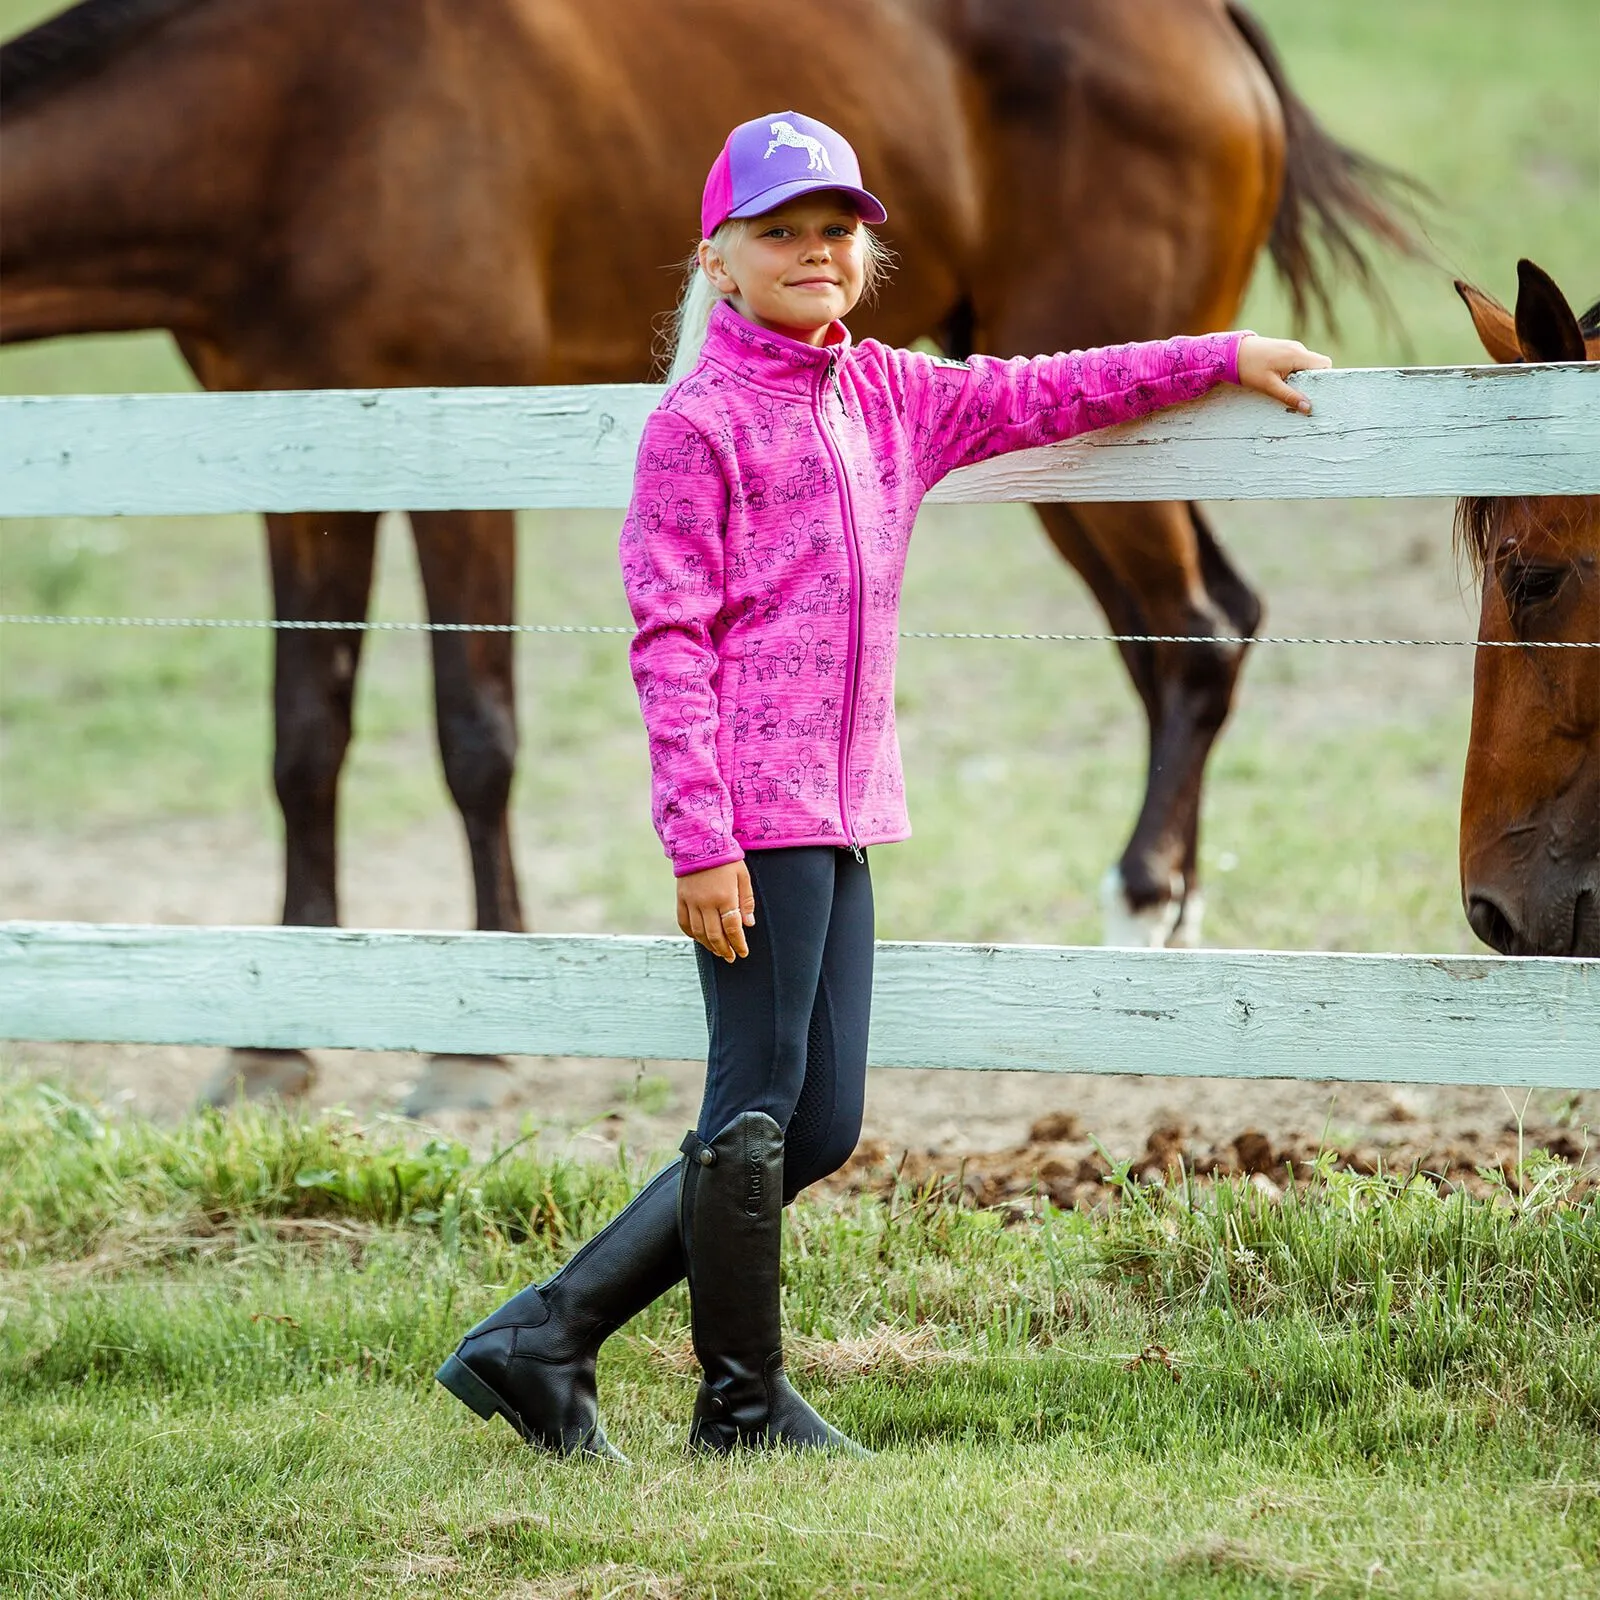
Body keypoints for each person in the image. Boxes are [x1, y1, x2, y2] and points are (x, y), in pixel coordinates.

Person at [435, 110, 1330, 1461]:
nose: (815, 252)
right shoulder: (699, 424)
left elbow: (1052, 390)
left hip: (849, 808)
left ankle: (543, 1338)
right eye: (781, 232)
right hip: (751, 813)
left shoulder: (895, 398)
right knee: (753, 1108)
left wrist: (1220, 355)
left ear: (864, 253)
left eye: (836, 231)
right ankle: (730, 1405)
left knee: (819, 1122)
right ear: (719, 261)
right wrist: (699, 838)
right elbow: (668, 640)